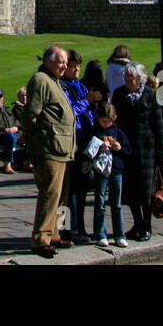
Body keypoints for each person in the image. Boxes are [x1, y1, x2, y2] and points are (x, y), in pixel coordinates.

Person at [21, 46, 75, 258]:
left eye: (66, 62)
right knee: (50, 194)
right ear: (49, 61)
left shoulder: (54, 81)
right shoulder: (41, 80)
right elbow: (31, 114)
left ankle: (55, 234)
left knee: (61, 197)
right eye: (61, 62)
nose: (65, 66)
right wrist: (37, 137)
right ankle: (40, 239)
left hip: (63, 149)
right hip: (49, 148)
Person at [113, 63, 163, 242]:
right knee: (130, 190)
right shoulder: (119, 95)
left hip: (146, 150)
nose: (127, 79)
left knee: (146, 192)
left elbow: (159, 126)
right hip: (127, 149)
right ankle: (137, 223)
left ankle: (147, 225)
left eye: (130, 76)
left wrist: (161, 154)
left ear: (140, 78)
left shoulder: (150, 96)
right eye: (125, 75)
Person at [60, 49, 100, 243]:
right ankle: (65, 229)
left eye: (78, 67)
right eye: (73, 67)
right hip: (70, 141)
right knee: (67, 191)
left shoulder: (80, 86)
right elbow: (70, 112)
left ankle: (79, 227)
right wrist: (87, 101)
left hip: (84, 141)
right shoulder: (62, 87)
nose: (76, 70)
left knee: (82, 188)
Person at [79, 103, 129, 248]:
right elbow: (86, 152)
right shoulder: (94, 131)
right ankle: (100, 234)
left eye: (108, 122)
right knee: (100, 203)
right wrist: (99, 148)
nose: (106, 125)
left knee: (116, 204)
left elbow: (128, 150)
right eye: (103, 122)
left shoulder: (117, 131)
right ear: (98, 119)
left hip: (116, 170)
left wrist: (119, 148)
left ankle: (119, 235)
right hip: (101, 171)